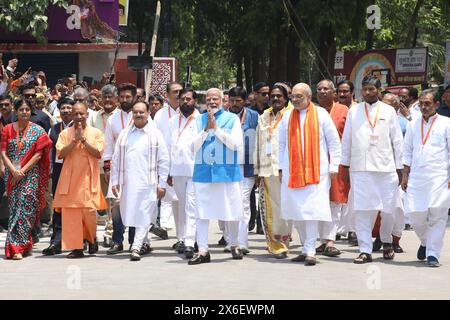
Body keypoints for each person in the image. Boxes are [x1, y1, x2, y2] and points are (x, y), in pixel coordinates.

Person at [341, 75, 404, 264]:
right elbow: (347, 140)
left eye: (372, 89)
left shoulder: (389, 111)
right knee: (362, 210)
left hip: (386, 168)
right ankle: (365, 250)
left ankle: (386, 242)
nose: (368, 92)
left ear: (379, 90)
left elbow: (397, 141)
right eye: (365, 89)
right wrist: (344, 165)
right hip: (361, 168)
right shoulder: (354, 111)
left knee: (389, 209)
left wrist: (400, 167)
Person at [278, 83, 341, 266]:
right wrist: (281, 168)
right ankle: (305, 248)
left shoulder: (321, 114)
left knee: (311, 211)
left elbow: (334, 142)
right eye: (293, 97)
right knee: (297, 211)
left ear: (309, 96)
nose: (295, 100)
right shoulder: (287, 116)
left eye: (299, 97)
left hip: (317, 172)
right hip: (293, 171)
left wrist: (334, 166)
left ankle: (311, 249)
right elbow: (281, 144)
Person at [188, 88, 244, 265]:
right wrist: (206, 130)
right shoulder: (198, 120)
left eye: (216, 99)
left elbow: (236, 145)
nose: (212, 102)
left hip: (227, 172)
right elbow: (192, 147)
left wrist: (217, 129)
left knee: (232, 210)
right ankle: (203, 249)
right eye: (209, 99)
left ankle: (234, 244)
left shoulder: (232, 119)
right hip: (203, 172)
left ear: (223, 100)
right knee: (201, 213)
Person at [111, 101, 169, 261]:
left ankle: (136, 247)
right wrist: (115, 180)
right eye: (135, 112)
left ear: (148, 113)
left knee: (144, 213)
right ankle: (144, 242)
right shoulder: (125, 134)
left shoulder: (156, 135)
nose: (138, 115)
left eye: (141, 112)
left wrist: (162, 184)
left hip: (148, 183)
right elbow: (116, 160)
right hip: (128, 183)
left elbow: (164, 161)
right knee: (132, 214)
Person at [402, 89, 450, 267]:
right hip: (417, 176)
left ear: (437, 104)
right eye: (421, 103)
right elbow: (407, 150)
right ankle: (425, 241)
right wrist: (405, 174)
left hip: (440, 176)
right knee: (416, 216)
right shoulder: (413, 123)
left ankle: (433, 254)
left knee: (438, 216)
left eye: (428, 103)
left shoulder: (446, 123)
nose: (423, 106)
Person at [53, 102, 107, 258]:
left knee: (89, 212)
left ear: (87, 115)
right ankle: (76, 247)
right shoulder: (64, 134)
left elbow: (98, 153)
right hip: (70, 179)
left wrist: (83, 140)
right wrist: (74, 141)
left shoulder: (96, 133)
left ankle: (91, 239)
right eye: (75, 114)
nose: (78, 117)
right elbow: (60, 154)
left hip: (88, 178)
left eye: (81, 114)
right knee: (71, 213)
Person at [1, 99, 52, 259]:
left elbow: (38, 155)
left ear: (31, 112)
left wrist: (21, 171)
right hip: (12, 175)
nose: (24, 112)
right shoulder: (8, 129)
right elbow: (3, 152)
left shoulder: (38, 131)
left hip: (30, 175)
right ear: (15, 111)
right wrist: (12, 171)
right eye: (21, 109)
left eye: (27, 110)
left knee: (26, 209)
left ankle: (18, 247)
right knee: (15, 208)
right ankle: (21, 243)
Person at [254, 84, 293, 259]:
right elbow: (257, 143)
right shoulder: (264, 117)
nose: (276, 99)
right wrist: (256, 170)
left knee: (286, 206)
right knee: (271, 207)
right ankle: (276, 243)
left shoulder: (292, 115)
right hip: (267, 168)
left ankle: (284, 241)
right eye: (273, 96)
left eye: (279, 96)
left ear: (286, 98)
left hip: (286, 169)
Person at [315, 79, 350, 257]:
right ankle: (322, 240)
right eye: (319, 89)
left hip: (338, 164)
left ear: (334, 92)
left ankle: (330, 240)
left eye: (326, 89)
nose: (322, 92)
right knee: (319, 201)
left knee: (335, 203)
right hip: (316, 164)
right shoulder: (312, 111)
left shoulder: (344, 111)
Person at [103, 83, 138, 255]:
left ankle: (134, 242)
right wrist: (107, 168)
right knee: (116, 206)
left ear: (134, 98)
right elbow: (108, 144)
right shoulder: (112, 119)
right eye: (122, 97)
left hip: (136, 168)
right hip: (117, 168)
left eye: (128, 97)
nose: (125, 100)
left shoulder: (141, 116)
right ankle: (117, 241)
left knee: (134, 203)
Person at [167, 88, 200, 259]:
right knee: (182, 206)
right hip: (177, 170)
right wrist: (168, 172)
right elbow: (168, 146)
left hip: (195, 170)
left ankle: (189, 242)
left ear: (195, 100)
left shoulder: (200, 120)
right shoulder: (172, 121)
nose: (185, 102)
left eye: (188, 99)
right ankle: (186, 238)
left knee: (191, 206)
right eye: (182, 99)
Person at [42, 97, 75, 256]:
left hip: (76, 170)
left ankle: (79, 241)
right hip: (58, 170)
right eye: (63, 108)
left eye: (69, 108)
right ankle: (56, 241)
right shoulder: (53, 128)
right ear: (59, 110)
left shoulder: (79, 127)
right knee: (58, 205)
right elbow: (49, 150)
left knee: (75, 205)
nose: (66, 111)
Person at [228, 86, 259, 254]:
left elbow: (261, 141)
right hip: (226, 166)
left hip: (248, 167)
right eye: (231, 100)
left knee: (243, 203)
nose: (234, 104)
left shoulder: (254, 116)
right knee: (228, 203)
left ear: (245, 101)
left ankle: (242, 241)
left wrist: (259, 168)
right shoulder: (224, 116)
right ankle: (230, 239)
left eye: (238, 101)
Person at [153, 82, 183, 248]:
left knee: (181, 203)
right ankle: (161, 225)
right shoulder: (159, 115)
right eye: (175, 92)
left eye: (181, 91)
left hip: (183, 165)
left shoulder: (189, 113)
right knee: (164, 197)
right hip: (164, 164)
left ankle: (182, 238)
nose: (178, 95)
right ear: (167, 95)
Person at [89, 84, 118, 247]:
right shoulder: (94, 117)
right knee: (101, 201)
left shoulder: (121, 116)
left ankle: (110, 232)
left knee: (113, 201)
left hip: (116, 166)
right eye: (104, 97)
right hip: (97, 165)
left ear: (116, 99)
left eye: (110, 97)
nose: (107, 100)